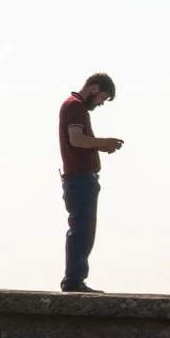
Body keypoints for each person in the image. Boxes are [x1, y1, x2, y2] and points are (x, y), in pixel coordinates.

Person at [59, 73, 123, 293]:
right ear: (94, 89)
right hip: (79, 179)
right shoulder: (75, 106)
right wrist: (103, 143)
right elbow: (76, 139)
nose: (100, 103)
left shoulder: (74, 106)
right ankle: (73, 281)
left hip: (80, 179)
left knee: (84, 231)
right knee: (82, 231)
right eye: (102, 98)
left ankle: (75, 280)